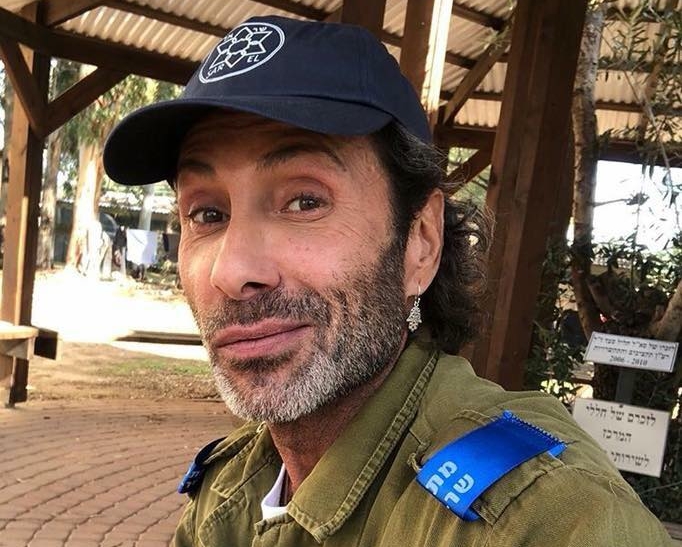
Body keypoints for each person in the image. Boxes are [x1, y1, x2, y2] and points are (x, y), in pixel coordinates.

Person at [103, 15, 674, 547]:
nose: (231, 272)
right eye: (207, 214)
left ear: (420, 241)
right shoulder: (232, 489)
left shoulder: (541, 519)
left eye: (305, 201)